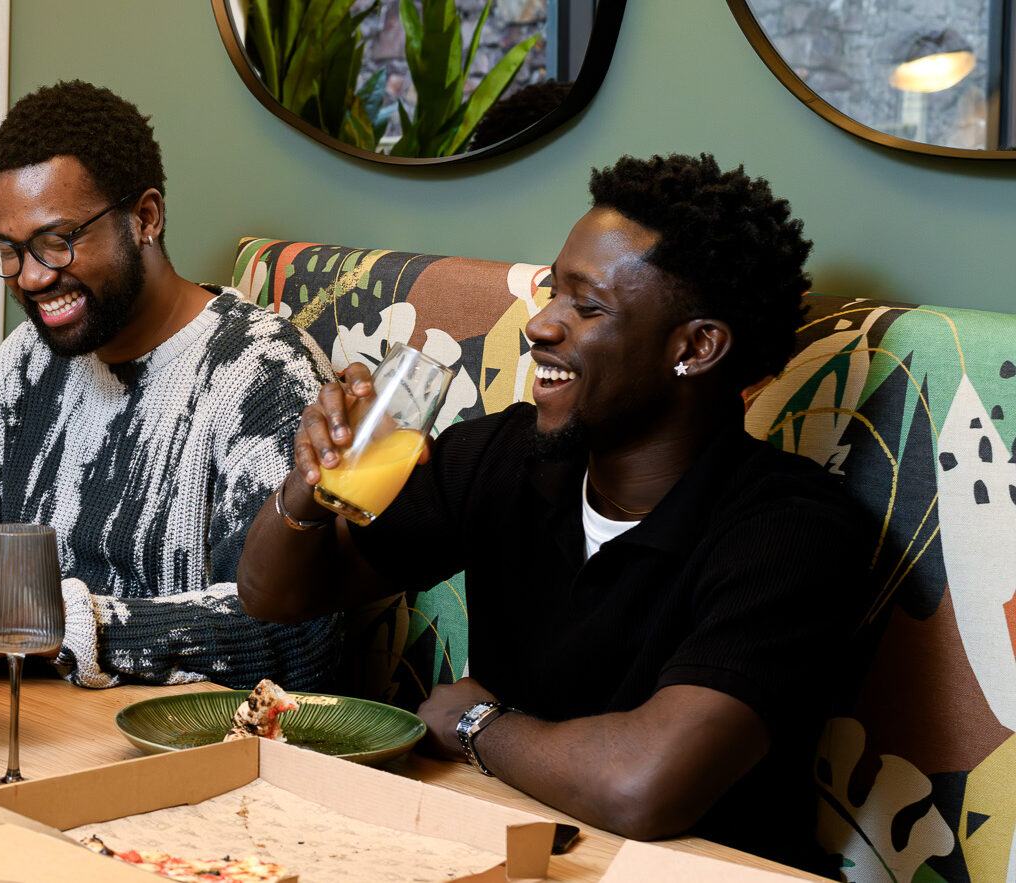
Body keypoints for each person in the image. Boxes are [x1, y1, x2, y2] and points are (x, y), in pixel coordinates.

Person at [235, 154, 876, 873]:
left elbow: (643, 785)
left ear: (695, 347)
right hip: (514, 848)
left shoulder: (792, 533)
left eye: (587, 306)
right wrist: (308, 486)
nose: (540, 325)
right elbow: (274, 594)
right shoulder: (504, 456)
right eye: (551, 293)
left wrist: (475, 724)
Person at [0, 80, 344, 690]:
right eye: (9, 250)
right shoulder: (29, 356)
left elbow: (286, 626)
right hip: (23, 718)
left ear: (145, 218)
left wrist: (72, 630)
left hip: (183, 746)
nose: (29, 278)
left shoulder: (262, 374)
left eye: (56, 242)